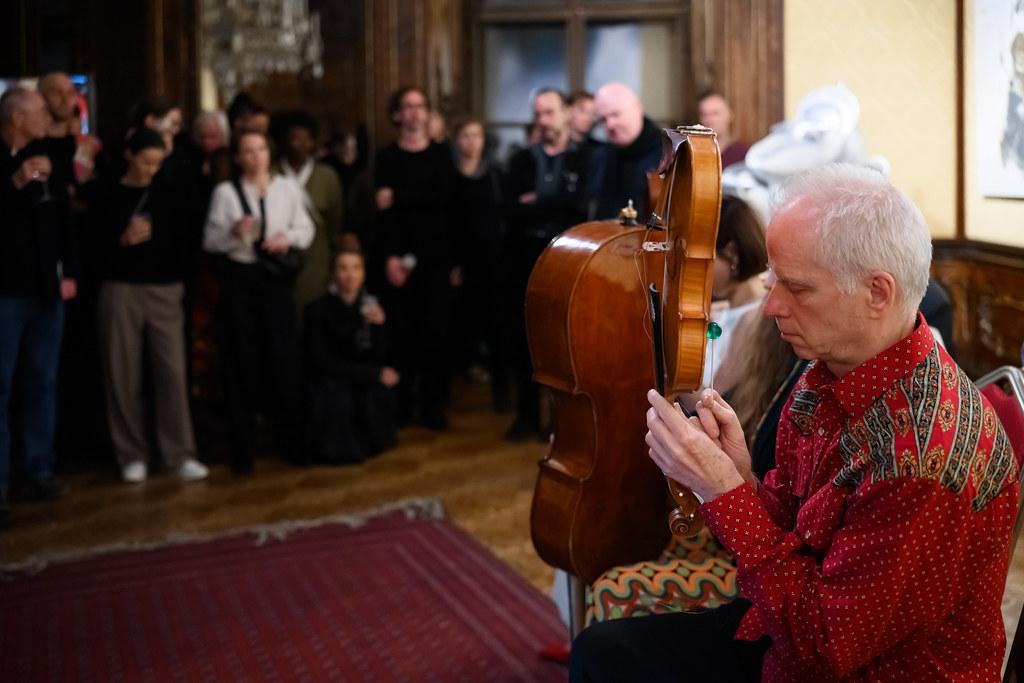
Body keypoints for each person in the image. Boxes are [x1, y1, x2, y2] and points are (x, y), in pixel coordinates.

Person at [569, 163, 1019, 681]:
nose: (771, 307)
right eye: (774, 281)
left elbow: (825, 645)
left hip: (861, 667)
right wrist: (739, 477)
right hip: (790, 632)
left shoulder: (920, 458)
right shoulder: (825, 370)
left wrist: (723, 492)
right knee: (602, 651)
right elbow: (793, 532)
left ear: (878, 293)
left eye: (797, 288)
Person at [94, 127, 208, 483]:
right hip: (120, 288)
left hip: (165, 288)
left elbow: (188, 240)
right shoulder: (107, 193)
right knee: (122, 374)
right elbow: (90, 247)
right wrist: (121, 240)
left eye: (158, 163)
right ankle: (131, 454)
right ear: (129, 155)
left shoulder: (171, 192)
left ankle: (179, 453)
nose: (151, 169)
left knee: (172, 372)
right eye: (146, 161)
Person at [203, 129, 314, 474]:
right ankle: (242, 448)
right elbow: (210, 241)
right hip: (240, 280)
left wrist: (286, 238)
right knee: (240, 362)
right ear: (238, 158)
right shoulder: (225, 193)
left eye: (261, 149)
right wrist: (233, 232)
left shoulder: (287, 188)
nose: (256, 157)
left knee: (283, 358)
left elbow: (306, 230)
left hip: (275, 281)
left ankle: (290, 440)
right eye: (248, 151)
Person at [0, 87, 78, 524]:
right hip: (5, 294)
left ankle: (38, 470)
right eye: (39, 111)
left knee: (42, 383)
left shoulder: (48, 156)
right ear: (16, 118)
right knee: (0, 387)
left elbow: (63, 218)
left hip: (47, 291)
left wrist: (70, 273)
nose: (46, 117)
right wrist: (14, 182)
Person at [505, 88, 589, 441]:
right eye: (538, 114)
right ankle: (525, 416)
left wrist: (538, 200)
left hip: (569, 257)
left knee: (563, 341)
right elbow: (511, 209)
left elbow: (579, 206)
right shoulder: (522, 159)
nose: (543, 120)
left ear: (567, 112)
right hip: (526, 256)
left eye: (550, 112)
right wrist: (552, 203)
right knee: (525, 337)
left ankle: (560, 421)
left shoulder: (583, 158)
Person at [372, 86, 458, 430]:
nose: (414, 112)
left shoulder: (441, 154)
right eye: (407, 106)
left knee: (435, 335)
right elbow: (383, 214)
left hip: (435, 258)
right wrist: (391, 258)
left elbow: (445, 201)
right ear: (397, 114)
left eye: (420, 105)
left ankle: (433, 408)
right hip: (398, 260)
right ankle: (404, 406)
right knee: (402, 334)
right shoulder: (386, 157)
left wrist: (399, 196)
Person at [303, 249, 399, 463]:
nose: (350, 275)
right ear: (332, 273)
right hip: (330, 378)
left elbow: (378, 355)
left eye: (356, 268)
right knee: (337, 394)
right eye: (343, 268)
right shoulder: (316, 310)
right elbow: (322, 361)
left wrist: (380, 327)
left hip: (358, 374)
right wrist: (372, 373)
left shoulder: (371, 307)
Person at [450, 116, 510, 411]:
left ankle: (502, 395)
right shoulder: (449, 176)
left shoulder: (496, 174)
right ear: (457, 140)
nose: (472, 141)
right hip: (461, 263)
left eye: (477, 135)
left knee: (498, 330)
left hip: (493, 262)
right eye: (466, 135)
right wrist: (453, 264)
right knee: (459, 328)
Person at [274, 109, 345, 317]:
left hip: (317, 253)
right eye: (294, 139)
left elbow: (336, 221)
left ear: (313, 142)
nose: (300, 145)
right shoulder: (272, 173)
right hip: (281, 253)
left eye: (306, 139)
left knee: (315, 306)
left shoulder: (327, 176)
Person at [590, 83, 662, 221]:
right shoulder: (600, 156)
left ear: (637, 107)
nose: (610, 125)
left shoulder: (668, 155)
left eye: (615, 114)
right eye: (603, 119)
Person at [698, 91, 749, 169]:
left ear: (729, 115)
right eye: (704, 114)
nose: (708, 120)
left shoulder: (743, 153)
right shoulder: (695, 152)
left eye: (715, 113)